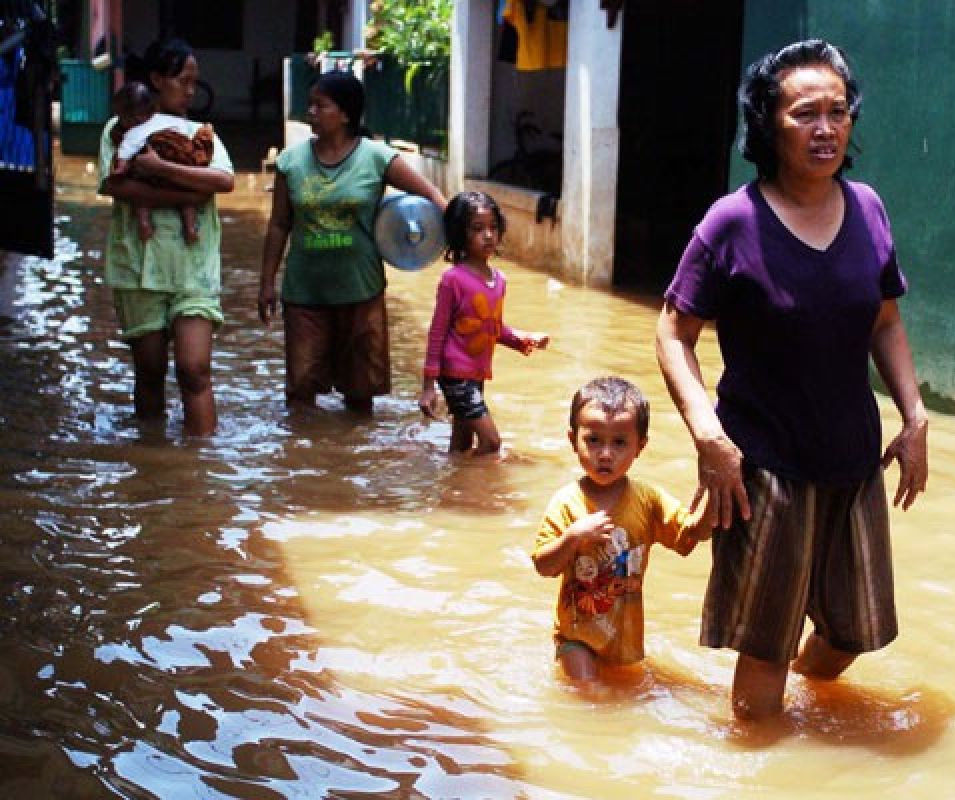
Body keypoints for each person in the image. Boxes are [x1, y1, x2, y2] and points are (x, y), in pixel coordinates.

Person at [655, 39, 929, 720]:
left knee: (854, 633)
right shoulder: (732, 223)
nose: (826, 128)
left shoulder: (868, 209)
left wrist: (915, 418)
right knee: (765, 657)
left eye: (839, 112)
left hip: (852, 458)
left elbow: (886, 323)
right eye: (806, 113)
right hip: (764, 464)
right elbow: (672, 333)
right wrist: (708, 439)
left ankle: (811, 717)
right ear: (768, 125)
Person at [258, 70, 447, 413]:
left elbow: (431, 196)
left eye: (320, 105)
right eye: (310, 105)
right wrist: (266, 282)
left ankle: (352, 464)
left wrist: (463, 232)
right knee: (301, 396)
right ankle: (305, 463)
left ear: (345, 114)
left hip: (361, 292)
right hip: (304, 294)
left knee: (360, 398)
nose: (311, 112)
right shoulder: (291, 161)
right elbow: (279, 225)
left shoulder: (377, 157)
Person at [531, 376, 712, 682]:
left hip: (625, 637)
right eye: (594, 440)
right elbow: (543, 565)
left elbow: (688, 538)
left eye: (619, 443)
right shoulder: (566, 502)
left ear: (640, 447)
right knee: (589, 697)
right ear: (573, 440)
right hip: (576, 634)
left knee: (626, 697)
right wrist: (573, 537)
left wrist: (712, 492)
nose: (605, 454)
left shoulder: (648, 500)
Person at [98, 39, 235, 436]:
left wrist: (163, 169)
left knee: (194, 370)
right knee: (150, 371)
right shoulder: (121, 127)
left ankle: (200, 466)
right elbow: (117, 186)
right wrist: (189, 194)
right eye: (183, 81)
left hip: (193, 267)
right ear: (157, 80)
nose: (191, 91)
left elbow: (224, 180)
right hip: (138, 265)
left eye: (195, 83)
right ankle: (155, 463)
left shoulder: (199, 132)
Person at [418, 191, 549, 454]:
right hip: (454, 375)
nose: (488, 235)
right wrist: (428, 387)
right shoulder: (452, 280)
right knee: (492, 442)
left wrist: (521, 338)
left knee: (462, 441)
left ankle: (455, 486)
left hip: (476, 373)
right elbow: (437, 333)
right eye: (478, 229)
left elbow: (492, 327)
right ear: (460, 234)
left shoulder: (499, 280)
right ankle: (477, 491)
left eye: (493, 227)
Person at [109, 80, 214, 244]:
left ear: (132, 118)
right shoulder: (167, 120)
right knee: (187, 198)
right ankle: (190, 227)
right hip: (180, 168)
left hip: (151, 171)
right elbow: (185, 136)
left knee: (141, 196)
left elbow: (125, 153)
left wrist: (120, 170)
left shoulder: (134, 132)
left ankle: (144, 224)